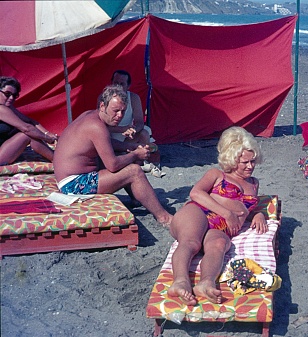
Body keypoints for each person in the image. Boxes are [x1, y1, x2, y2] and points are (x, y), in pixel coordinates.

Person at [167, 126, 268, 305]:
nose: (250, 166)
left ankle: (206, 282)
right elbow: (195, 193)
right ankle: (180, 281)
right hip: (197, 212)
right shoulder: (217, 175)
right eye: (245, 162)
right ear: (232, 158)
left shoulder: (254, 183)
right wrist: (226, 213)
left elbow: (245, 209)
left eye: (252, 161)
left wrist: (258, 214)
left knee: (219, 244)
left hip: (220, 227)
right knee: (191, 242)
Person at [53, 85, 173, 226]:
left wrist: (130, 146)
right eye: (115, 111)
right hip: (73, 184)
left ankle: (137, 198)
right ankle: (164, 217)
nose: (119, 116)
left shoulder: (89, 116)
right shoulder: (97, 127)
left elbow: (105, 143)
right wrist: (135, 154)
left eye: (122, 112)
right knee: (134, 171)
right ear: (103, 106)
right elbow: (113, 165)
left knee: (124, 157)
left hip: (68, 177)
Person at [108, 70, 164, 177]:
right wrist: (122, 129)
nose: (118, 87)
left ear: (128, 86)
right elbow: (102, 126)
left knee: (145, 132)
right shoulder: (104, 99)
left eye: (122, 84)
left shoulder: (133, 98)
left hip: (127, 136)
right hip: (110, 138)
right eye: (116, 83)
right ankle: (125, 158)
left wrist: (132, 130)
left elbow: (139, 122)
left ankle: (137, 163)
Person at [0, 76, 58, 165]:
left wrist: (47, 133)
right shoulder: (1, 109)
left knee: (31, 133)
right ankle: (58, 160)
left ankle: (56, 158)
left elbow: (30, 121)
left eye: (14, 95)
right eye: (7, 94)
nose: (11, 98)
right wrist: (47, 138)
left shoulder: (8, 107)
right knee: (27, 135)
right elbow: (27, 128)